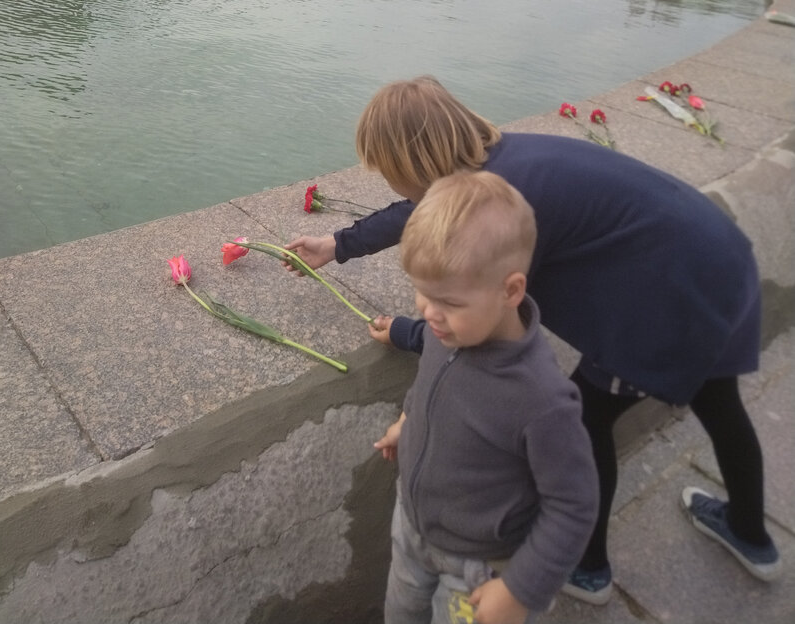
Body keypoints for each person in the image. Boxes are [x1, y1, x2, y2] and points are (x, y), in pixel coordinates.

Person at [287, 77, 780, 605]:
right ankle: (752, 536)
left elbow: (491, 318)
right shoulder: (501, 165)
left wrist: (408, 331)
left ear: (411, 162)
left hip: (663, 301)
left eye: (391, 173)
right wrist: (337, 244)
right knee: (720, 403)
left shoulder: (503, 204)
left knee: (589, 420)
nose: (393, 185)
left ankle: (588, 571)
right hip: (715, 259)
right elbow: (428, 207)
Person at [374, 170, 598, 624]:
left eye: (448, 301)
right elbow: (430, 387)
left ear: (510, 290)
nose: (428, 312)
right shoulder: (448, 333)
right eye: (421, 291)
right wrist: (409, 421)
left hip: (481, 568)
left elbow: (574, 505)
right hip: (414, 530)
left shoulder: (542, 399)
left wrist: (520, 590)